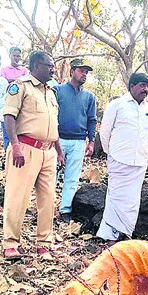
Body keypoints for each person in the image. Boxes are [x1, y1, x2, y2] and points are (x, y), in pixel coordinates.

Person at [2, 51, 64, 260]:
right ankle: (11, 243)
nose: (53, 69)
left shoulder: (51, 92)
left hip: (48, 152)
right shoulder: (20, 86)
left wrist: (59, 151)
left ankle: (44, 243)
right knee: (17, 196)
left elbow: (52, 124)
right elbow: (9, 116)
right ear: (36, 66)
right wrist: (15, 145)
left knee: (48, 199)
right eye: (49, 65)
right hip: (25, 148)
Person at [97, 73, 148, 242]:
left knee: (132, 200)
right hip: (119, 159)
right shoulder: (117, 105)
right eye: (142, 85)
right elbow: (105, 133)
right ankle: (110, 237)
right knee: (116, 198)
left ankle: (125, 234)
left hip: (139, 161)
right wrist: (112, 153)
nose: (145, 89)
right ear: (132, 86)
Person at [55, 59, 97, 223]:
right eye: (81, 71)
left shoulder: (89, 97)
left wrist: (91, 141)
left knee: (72, 178)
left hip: (78, 141)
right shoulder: (57, 91)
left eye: (86, 72)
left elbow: (92, 120)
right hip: (57, 139)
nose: (84, 75)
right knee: (51, 176)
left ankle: (65, 210)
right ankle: (46, 208)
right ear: (72, 71)